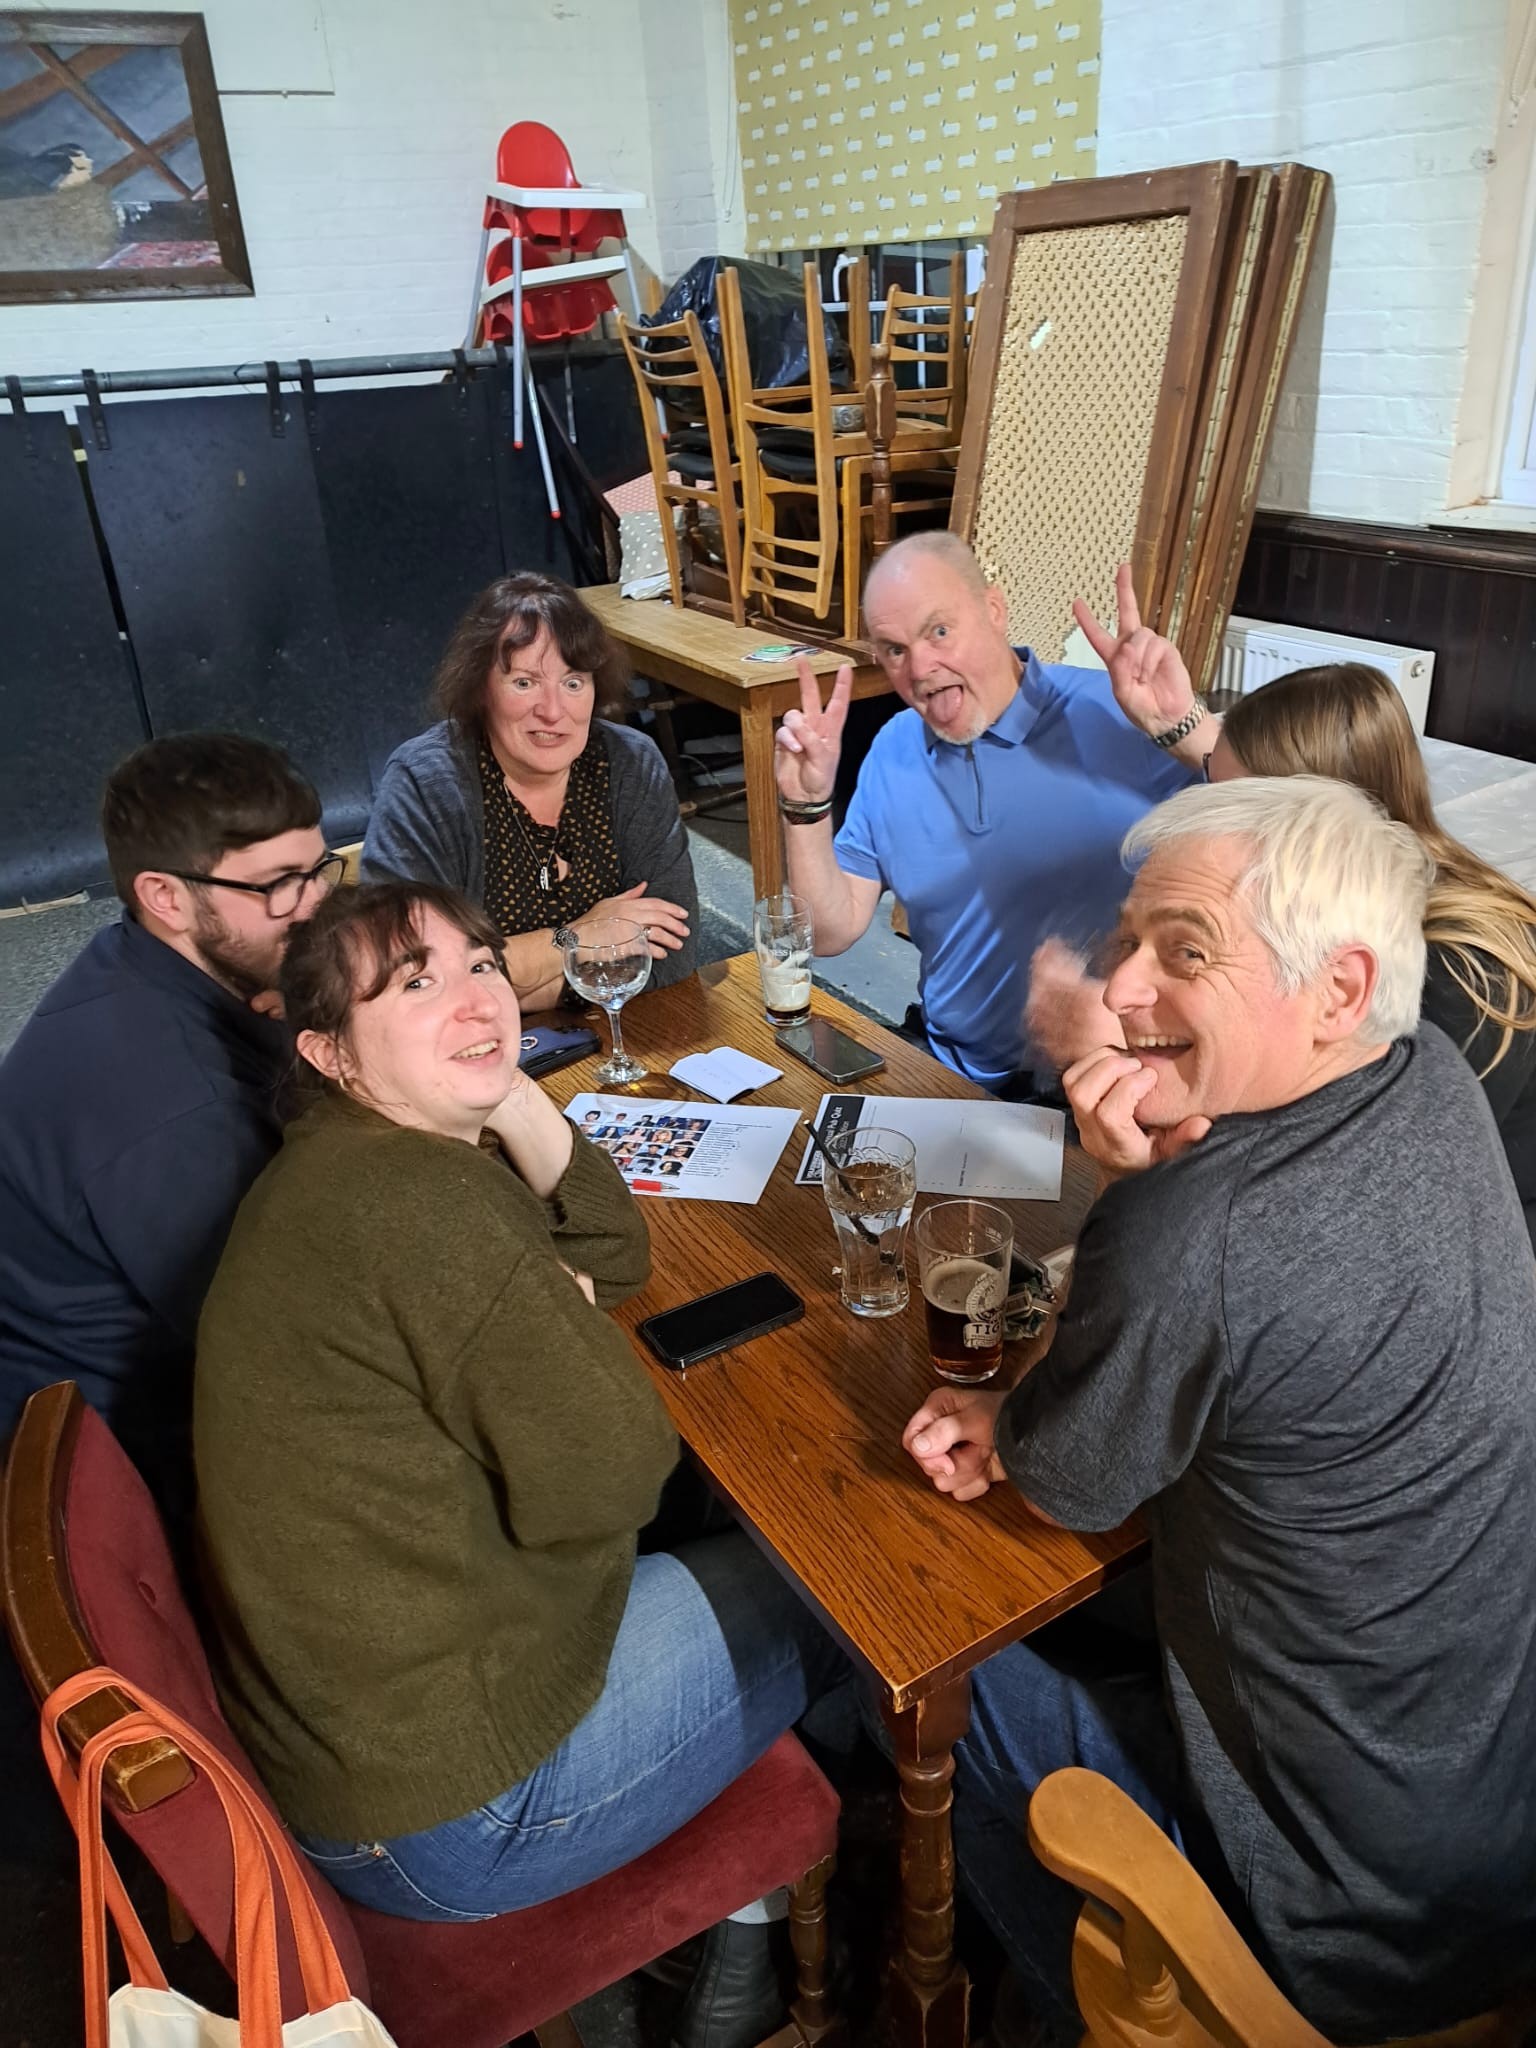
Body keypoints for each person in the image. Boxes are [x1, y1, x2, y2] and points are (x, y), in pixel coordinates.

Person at [902, 777, 1536, 2043]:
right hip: (1489, 1819)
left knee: (910, 1668)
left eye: (1183, 951)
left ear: (1341, 988)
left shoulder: (1197, 1231)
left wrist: (1128, 1194)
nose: (1122, 985)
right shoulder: (1428, 1075)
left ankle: (1054, 2003)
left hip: (1337, 1918)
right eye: (1127, 938)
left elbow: (1066, 1479)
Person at [194, 881, 848, 2048]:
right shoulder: (421, 1205)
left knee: (732, 1523)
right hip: (459, 1808)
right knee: (843, 1583)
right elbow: (617, 1472)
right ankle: (754, 1906)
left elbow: (612, 1252)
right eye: (416, 982)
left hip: (366, 1746)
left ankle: (732, 1872)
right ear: (327, 1051)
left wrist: (515, 1101)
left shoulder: (358, 1159)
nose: (476, 997)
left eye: (484, 964)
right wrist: (559, 1319)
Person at [1029, 641, 1536, 1248]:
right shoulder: (1372, 863)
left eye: (1233, 811)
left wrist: (1131, 1074)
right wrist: (1179, 724)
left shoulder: (1460, 976)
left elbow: (1329, 1197)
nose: (1209, 828)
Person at [0, 733, 339, 1526]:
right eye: (278, 886)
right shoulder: (175, 1108)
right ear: (165, 896)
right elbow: (302, 1352)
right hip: (136, 1472)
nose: (315, 907)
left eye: (319, 869)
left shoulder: (148, 965)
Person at [774, 534, 1198, 1094]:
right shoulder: (893, 748)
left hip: (1105, 1074)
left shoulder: (1122, 714)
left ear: (994, 610)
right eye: (895, 649)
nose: (920, 667)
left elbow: (1283, 834)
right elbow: (831, 932)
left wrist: (1187, 729)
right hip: (946, 1064)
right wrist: (805, 806)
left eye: (938, 632)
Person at [363, 572, 697, 1006]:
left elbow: (674, 953)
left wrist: (499, 983)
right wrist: (579, 937)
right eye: (525, 682)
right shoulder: (425, 785)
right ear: (480, 689)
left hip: (615, 1028)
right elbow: (412, 980)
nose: (553, 711)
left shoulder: (631, 762)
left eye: (573, 682)